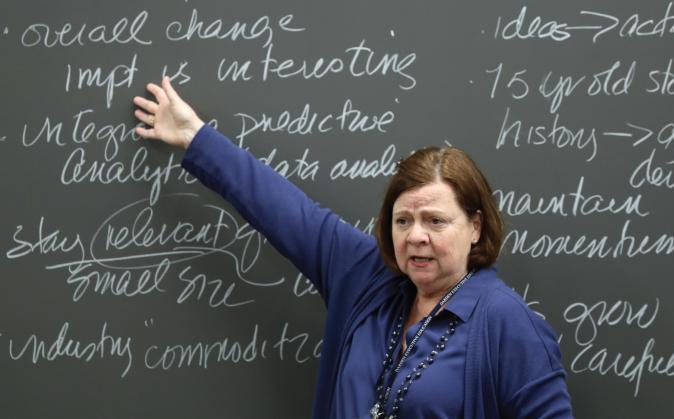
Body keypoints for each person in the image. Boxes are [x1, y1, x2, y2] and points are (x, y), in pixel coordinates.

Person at [133, 77, 574, 419]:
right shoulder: (368, 277)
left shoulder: (506, 324)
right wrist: (195, 135)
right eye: (403, 220)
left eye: (435, 221)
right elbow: (285, 211)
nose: (415, 236)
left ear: (475, 226)